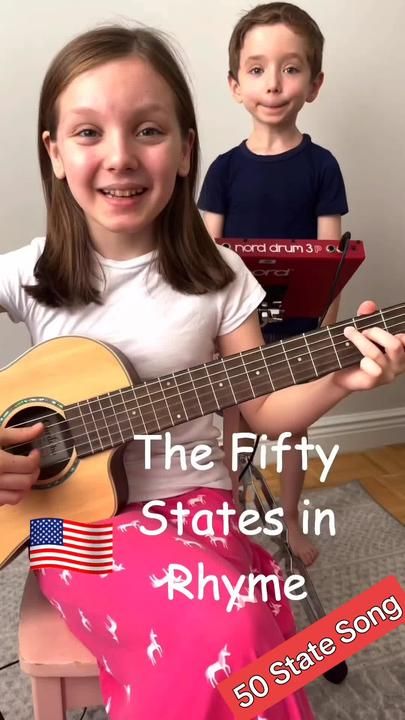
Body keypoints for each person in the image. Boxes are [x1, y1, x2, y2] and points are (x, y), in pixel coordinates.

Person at [0, 24, 404, 720]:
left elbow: (262, 407)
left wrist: (340, 379)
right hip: (62, 531)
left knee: (240, 626)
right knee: (226, 633)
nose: (120, 156)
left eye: (148, 130)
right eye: (89, 132)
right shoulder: (29, 273)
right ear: (56, 153)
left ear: (186, 149)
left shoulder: (219, 277)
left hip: (200, 508)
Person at [198, 2, 348, 566]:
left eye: (291, 68)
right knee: (232, 427)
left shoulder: (323, 166)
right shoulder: (224, 169)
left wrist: (325, 333)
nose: (274, 83)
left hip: (300, 327)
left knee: (291, 430)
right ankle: (231, 516)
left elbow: (332, 258)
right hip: (238, 329)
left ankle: (288, 519)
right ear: (236, 85)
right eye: (257, 69)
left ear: (314, 83)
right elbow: (204, 256)